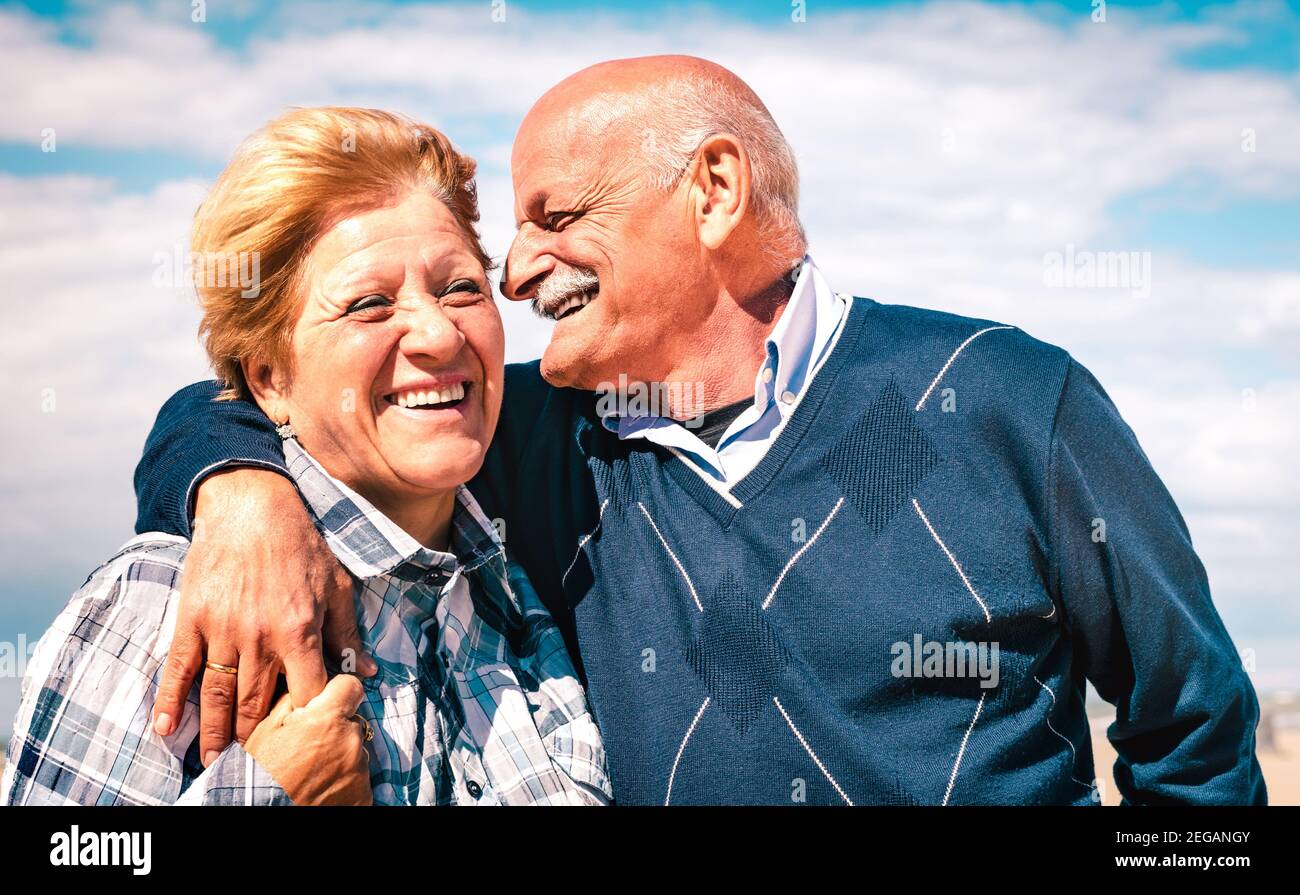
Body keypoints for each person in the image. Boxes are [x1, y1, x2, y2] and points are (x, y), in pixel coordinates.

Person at [132, 57, 1264, 805]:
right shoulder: (528, 441)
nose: (514, 274)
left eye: (555, 219)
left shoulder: (1013, 398)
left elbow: (1196, 740)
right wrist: (239, 494)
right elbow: (266, 395)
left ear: (714, 188)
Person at [3, 107, 609, 806]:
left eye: (461, 287)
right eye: (369, 304)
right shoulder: (175, 607)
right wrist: (262, 792)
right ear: (269, 380)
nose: (440, 335)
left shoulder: (526, 596)